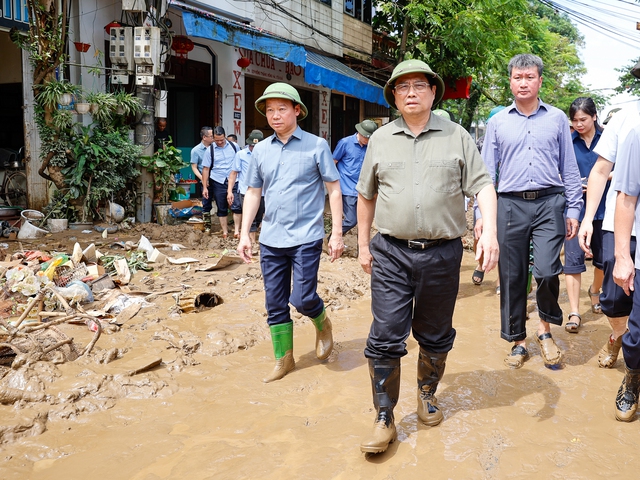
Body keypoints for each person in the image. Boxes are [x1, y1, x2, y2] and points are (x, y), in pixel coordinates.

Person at [356, 59, 499, 454]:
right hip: (391, 253)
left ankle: (426, 392)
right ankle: (384, 415)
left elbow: (483, 186)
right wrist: (361, 243)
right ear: (394, 97)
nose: (411, 93)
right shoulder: (381, 140)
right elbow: (365, 194)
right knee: (385, 335)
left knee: (435, 333)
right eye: (403, 88)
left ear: (434, 92)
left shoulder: (457, 136)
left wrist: (491, 230)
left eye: (419, 85)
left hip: (442, 253)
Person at [479, 53, 582, 369]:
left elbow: (569, 165)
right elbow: (486, 174)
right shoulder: (497, 122)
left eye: (529, 77)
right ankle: (518, 341)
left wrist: (574, 209)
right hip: (509, 204)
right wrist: (482, 218)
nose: (523, 83)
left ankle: (545, 330)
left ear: (539, 81)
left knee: (548, 270)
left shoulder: (556, 119)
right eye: (517, 78)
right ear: (510, 82)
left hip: (550, 202)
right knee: (512, 276)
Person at [237, 83, 344, 384]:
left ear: (297, 110)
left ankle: (322, 323)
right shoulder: (260, 150)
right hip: (271, 238)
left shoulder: (315, 146)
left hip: (306, 237)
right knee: (274, 302)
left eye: (281, 108)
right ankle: (284, 359)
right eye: (269, 110)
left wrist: (336, 233)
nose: (275, 115)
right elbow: (253, 192)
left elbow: (334, 190)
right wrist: (245, 234)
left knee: (302, 298)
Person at [578, 101, 640, 369]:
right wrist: (588, 219)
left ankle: (632, 366)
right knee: (613, 301)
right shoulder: (626, 118)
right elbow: (601, 171)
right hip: (620, 226)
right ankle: (619, 335)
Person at [563, 98, 605, 333]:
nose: (579, 124)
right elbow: (558, 172)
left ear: (594, 117)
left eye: (583, 119)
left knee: (604, 261)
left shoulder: (608, 140)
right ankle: (574, 312)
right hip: (574, 210)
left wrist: (598, 179)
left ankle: (595, 291)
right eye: (575, 120)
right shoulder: (568, 143)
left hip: (604, 209)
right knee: (573, 262)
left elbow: (619, 168)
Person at [611, 121, 640, 421]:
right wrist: (623, 256)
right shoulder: (637, 134)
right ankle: (632, 376)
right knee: (638, 335)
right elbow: (627, 199)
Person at [472, 105, 505, 291]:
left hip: (506, 195)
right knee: (481, 232)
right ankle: (481, 263)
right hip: (484, 193)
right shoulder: (480, 143)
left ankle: (501, 279)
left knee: (503, 236)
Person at [332, 119, 378, 235]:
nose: (368, 141)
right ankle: (332, 238)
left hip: (363, 189)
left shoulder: (371, 146)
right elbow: (333, 161)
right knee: (351, 220)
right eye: (367, 138)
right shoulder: (345, 143)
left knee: (364, 221)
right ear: (360, 133)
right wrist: (333, 185)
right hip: (347, 188)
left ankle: (361, 249)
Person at [201, 126, 241, 237]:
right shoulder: (210, 150)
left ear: (225, 136)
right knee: (221, 206)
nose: (219, 142)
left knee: (237, 205)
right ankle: (225, 231)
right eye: (216, 140)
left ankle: (237, 230)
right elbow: (206, 169)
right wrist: (205, 187)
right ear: (213, 137)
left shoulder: (234, 146)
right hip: (218, 181)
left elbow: (240, 162)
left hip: (235, 180)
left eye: (221, 140)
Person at [227, 129, 266, 242]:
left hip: (263, 191)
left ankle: (253, 237)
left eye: (256, 146)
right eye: (252, 146)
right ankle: (252, 241)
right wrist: (230, 191)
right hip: (246, 191)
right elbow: (234, 173)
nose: (253, 148)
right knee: (250, 216)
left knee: (259, 216)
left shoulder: (266, 155)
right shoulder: (241, 154)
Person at [190, 126, 213, 199]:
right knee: (206, 203)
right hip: (205, 181)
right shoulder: (195, 150)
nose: (213, 138)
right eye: (211, 136)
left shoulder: (215, 148)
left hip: (217, 180)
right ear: (204, 137)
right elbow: (194, 167)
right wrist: (203, 180)